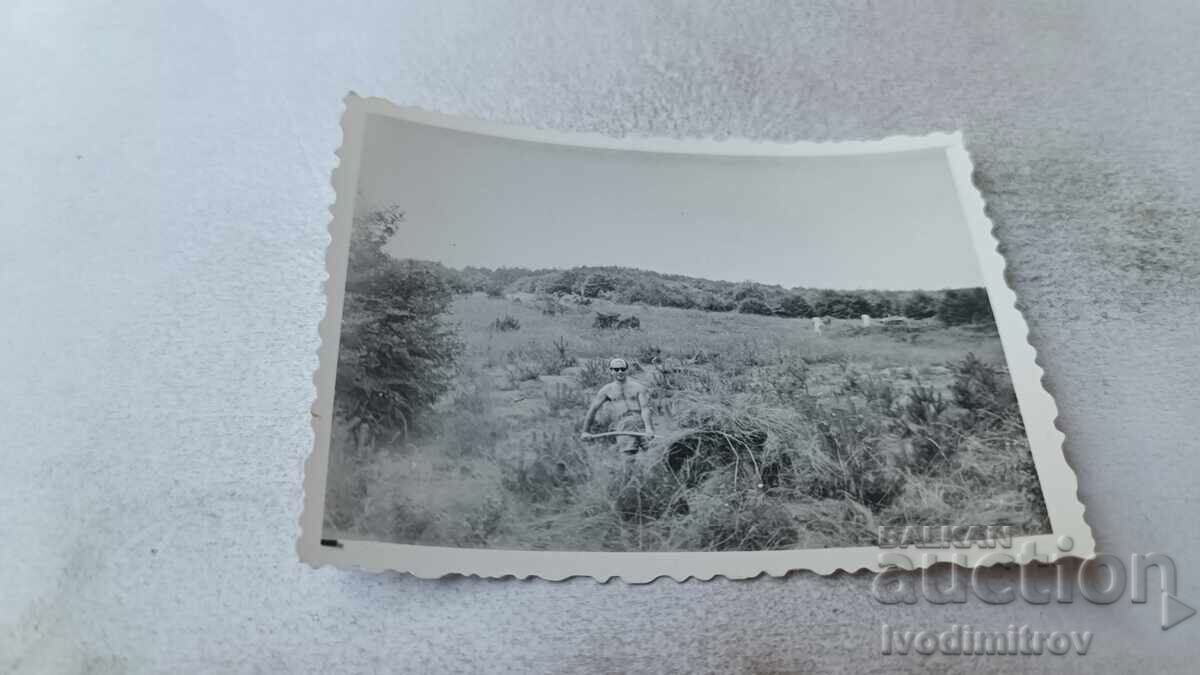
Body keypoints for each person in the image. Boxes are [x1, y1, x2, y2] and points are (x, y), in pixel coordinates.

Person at [581, 358, 655, 454]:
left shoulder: (638, 387)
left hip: (641, 422)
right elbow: (593, 410)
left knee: (654, 452)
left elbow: (645, 409)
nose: (620, 371)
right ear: (611, 371)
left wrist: (649, 428)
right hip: (623, 425)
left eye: (622, 369)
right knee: (628, 457)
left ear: (627, 370)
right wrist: (585, 431)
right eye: (616, 369)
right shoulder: (606, 390)